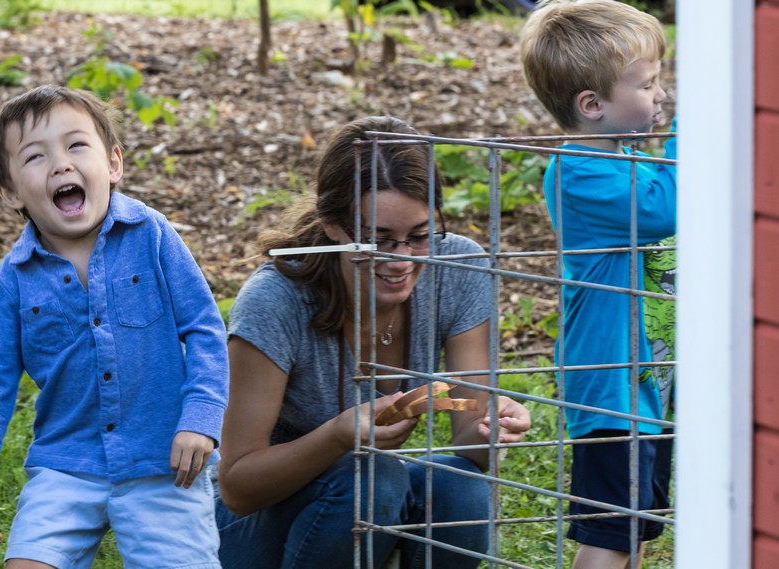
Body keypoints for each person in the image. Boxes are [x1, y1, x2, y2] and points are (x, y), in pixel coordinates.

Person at [214, 115, 532, 569]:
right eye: (376, 240)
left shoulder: (458, 268)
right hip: (250, 525)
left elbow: (469, 445)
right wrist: (337, 436)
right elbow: (238, 487)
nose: (401, 260)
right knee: (372, 479)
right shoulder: (275, 300)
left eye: (419, 236)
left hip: (360, 502)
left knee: (459, 487)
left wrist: (492, 427)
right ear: (333, 225)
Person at [0, 85, 229, 569]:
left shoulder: (152, 235)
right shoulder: (12, 280)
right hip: (65, 465)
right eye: (35, 156)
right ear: (10, 191)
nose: (61, 164)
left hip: (163, 461)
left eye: (76, 145)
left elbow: (205, 330)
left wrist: (200, 419)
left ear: (112, 163)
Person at [520, 1, 676, 568]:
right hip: (609, 385)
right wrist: (694, 137)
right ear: (593, 105)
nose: (661, 95)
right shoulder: (579, 173)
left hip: (643, 382)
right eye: (648, 84)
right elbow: (666, 209)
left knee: (633, 528)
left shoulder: (625, 160)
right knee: (610, 533)